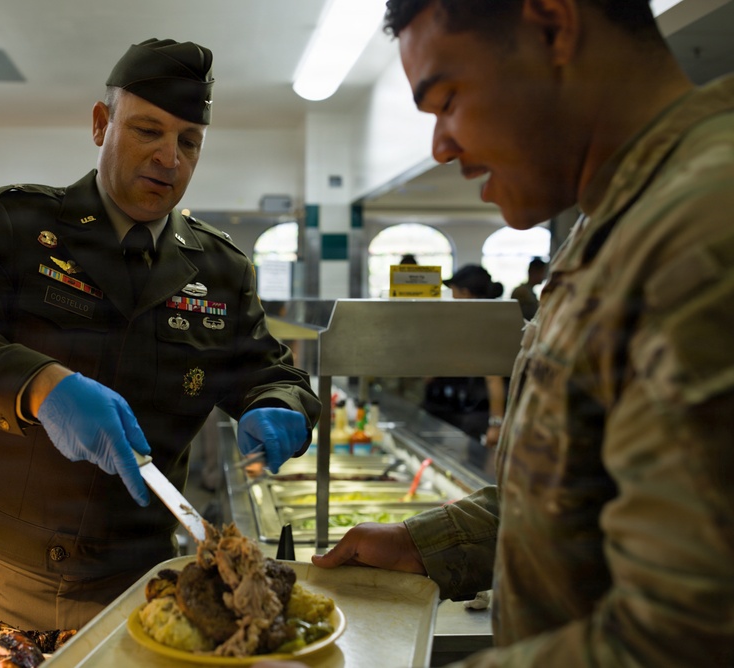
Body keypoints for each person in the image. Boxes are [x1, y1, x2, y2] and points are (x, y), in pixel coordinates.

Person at [309, 1, 734, 666]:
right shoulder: (609, 224)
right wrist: (429, 544)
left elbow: (683, 638)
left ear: (551, 24)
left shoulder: (705, 231)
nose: (440, 146)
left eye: (447, 100)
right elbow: (580, 497)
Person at [0, 38, 321, 633]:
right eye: (148, 131)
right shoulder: (18, 225)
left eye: (188, 142)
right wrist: (41, 385)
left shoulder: (221, 270)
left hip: (139, 581)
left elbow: (274, 372)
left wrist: (281, 404)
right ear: (102, 124)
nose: (169, 159)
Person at [422, 264, 506, 462]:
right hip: (463, 413)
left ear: (466, 293)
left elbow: (493, 378)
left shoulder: (483, 325)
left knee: (470, 468)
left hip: (474, 415)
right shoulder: (477, 321)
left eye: (454, 292)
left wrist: (496, 423)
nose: (453, 298)